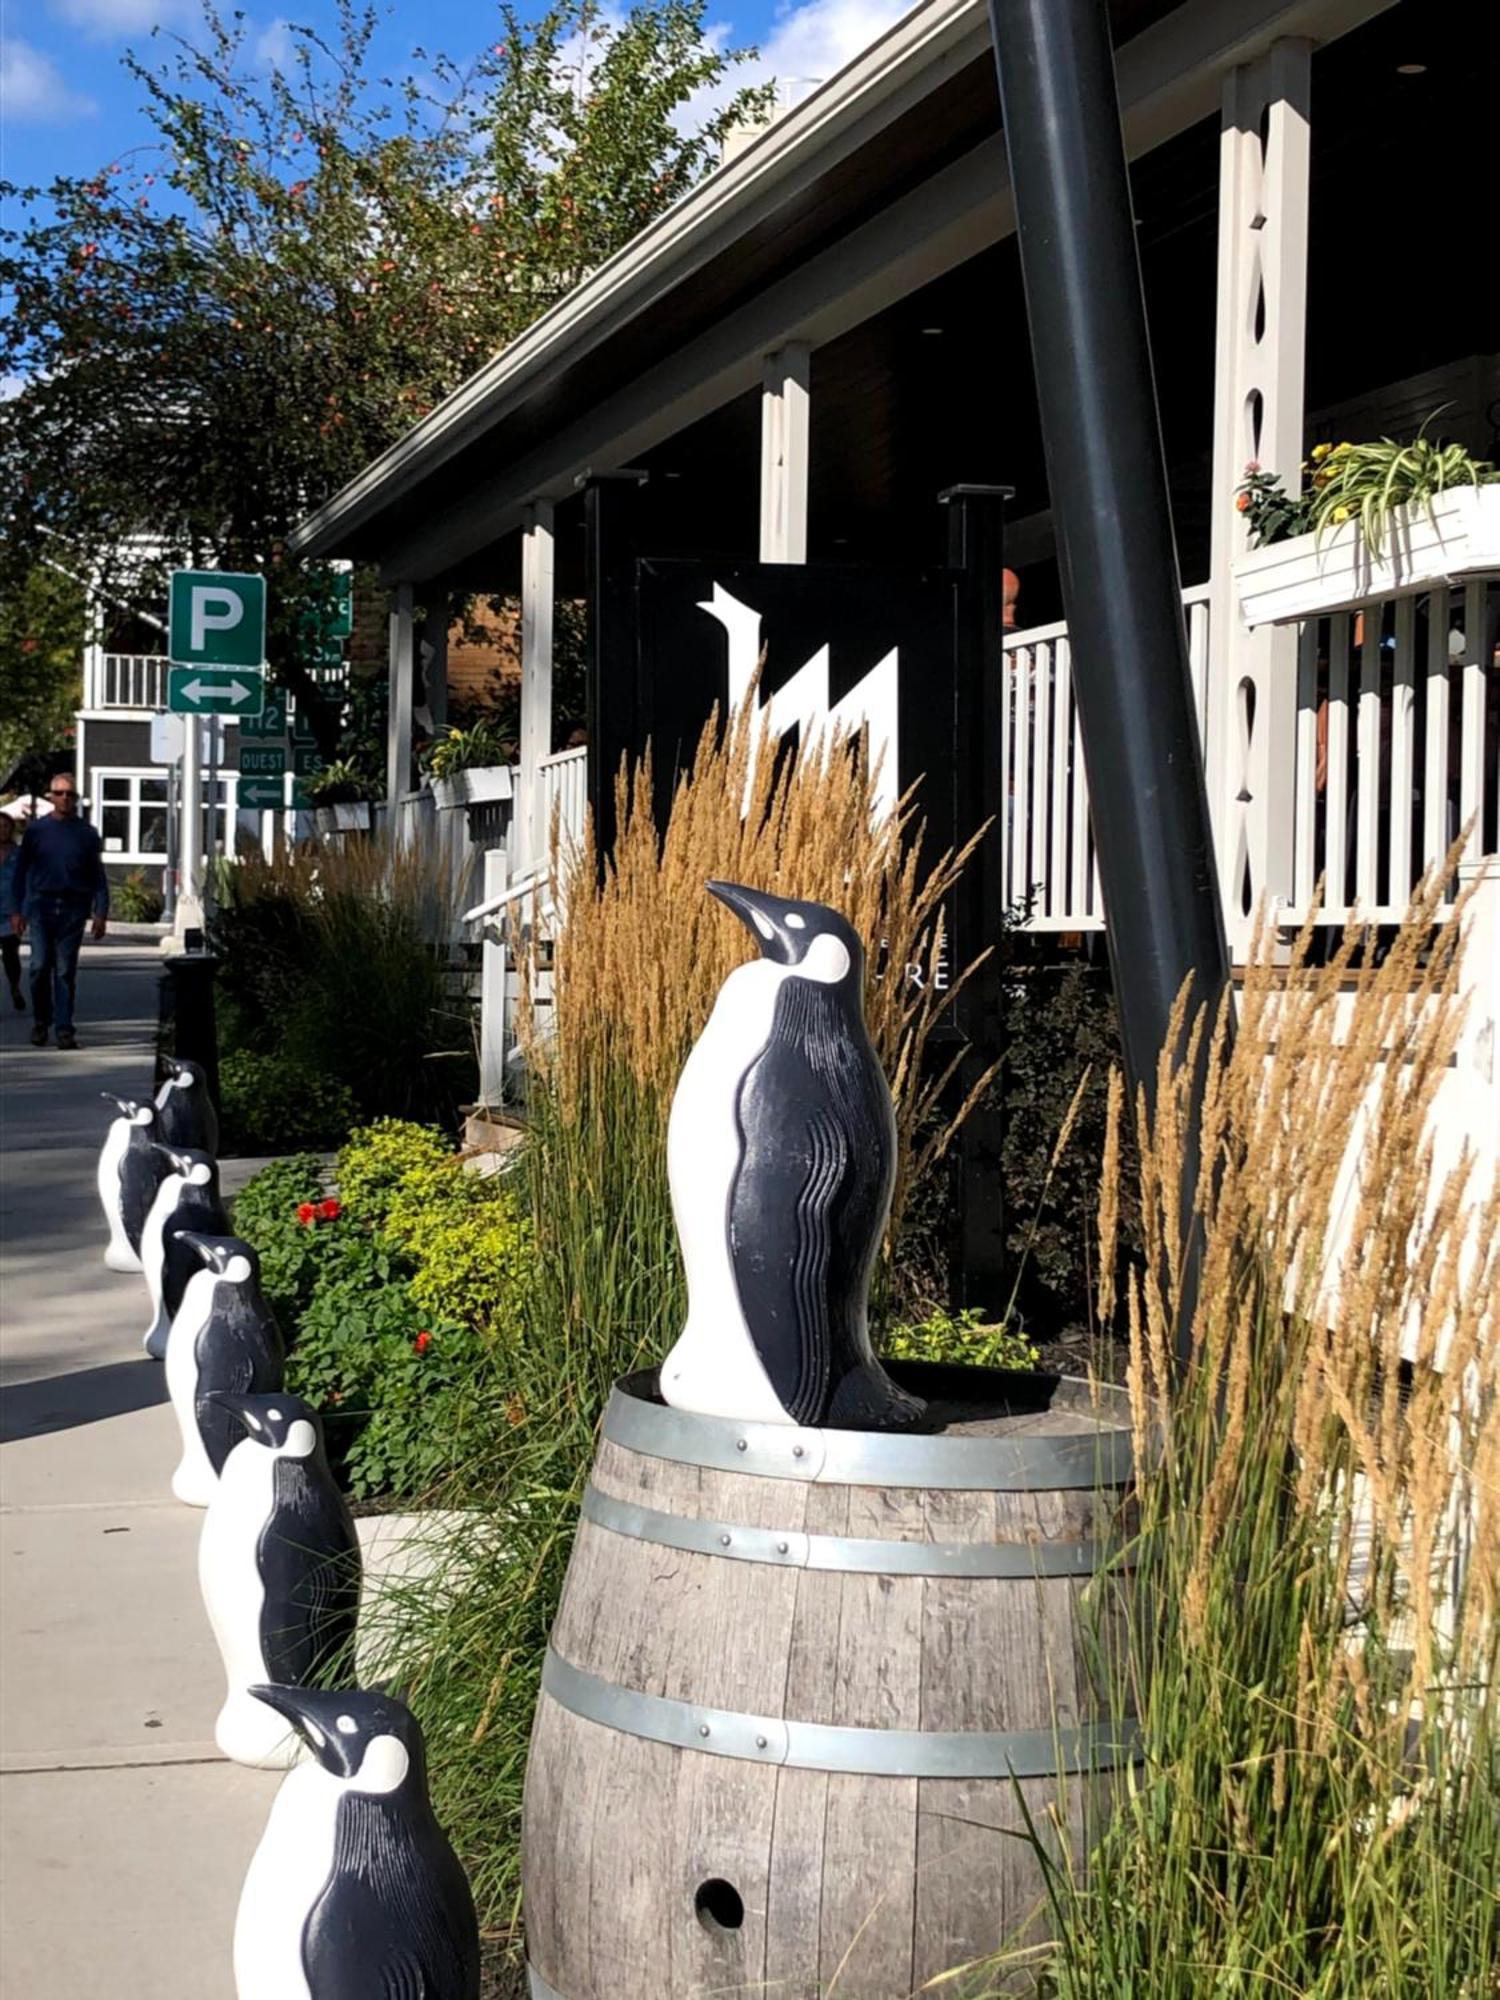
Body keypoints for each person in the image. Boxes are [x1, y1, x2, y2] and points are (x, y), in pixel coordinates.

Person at [10, 774, 109, 1049]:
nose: (65, 798)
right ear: (51, 796)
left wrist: (101, 912)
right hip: (41, 905)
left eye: (70, 794)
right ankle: (42, 1022)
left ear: (76, 799)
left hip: (73, 907)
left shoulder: (86, 834)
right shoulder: (36, 832)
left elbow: (97, 875)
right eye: (59, 793)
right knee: (39, 966)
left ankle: (64, 1028)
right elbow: (20, 872)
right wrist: (16, 909)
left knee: (64, 970)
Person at [0, 813, 27, 1011]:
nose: (2, 830)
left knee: (11, 955)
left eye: (6, 826)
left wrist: (23, 911)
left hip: (12, 911)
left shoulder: (19, 854)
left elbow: (27, 882)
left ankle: (14, 987)